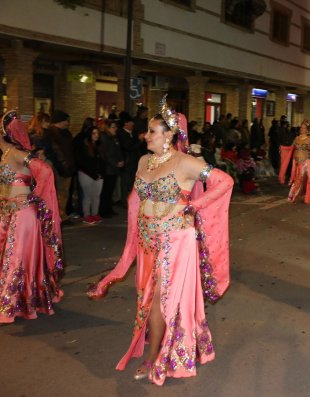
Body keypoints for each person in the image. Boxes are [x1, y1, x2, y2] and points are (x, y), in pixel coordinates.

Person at [87, 95, 233, 385]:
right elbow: (135, 200)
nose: (146, 135)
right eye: (147, 130)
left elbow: (224, 181)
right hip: (148, 240)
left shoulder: (186, 162)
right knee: (147, 296)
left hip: (176, 241)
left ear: (168, 135)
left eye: (152, 131)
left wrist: (196, 206)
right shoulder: (144, 161)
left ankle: (155, 356)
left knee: (158, 300)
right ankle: (166, 344)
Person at [0, 110, 64, 323]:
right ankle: (20, 300)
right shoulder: (6, 155)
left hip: (24, 215)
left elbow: (45, 171)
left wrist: (32, 197)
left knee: (18, 260)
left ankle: (12, 305)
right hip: (9, 213)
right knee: (9, 258)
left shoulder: (18, 154)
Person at [278, 120, 310, 204]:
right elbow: (291, 148)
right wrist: (283, 148)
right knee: (298, 178)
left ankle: (293, 195)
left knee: (300, 178)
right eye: (301, 127)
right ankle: (299, 195)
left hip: (306, 162)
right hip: (296, 162)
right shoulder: (297, 138)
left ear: (307, 129)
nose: (302, 129)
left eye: (304, 128)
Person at [75, 126, 105, 225]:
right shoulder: (84, 146)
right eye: (94, 133)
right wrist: (94, 174)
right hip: (86, 174)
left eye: (97, 133)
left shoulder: (99, 145)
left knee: (96, 196)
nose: (96, 135)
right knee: (88, 196)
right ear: (89, 134)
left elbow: (102, 161)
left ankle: (95, 213)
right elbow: (83, 163)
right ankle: (87, 215)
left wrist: (101, 173)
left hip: (98, 175)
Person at [98, 119, 124, 218]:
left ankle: (109, 209)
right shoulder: (105, 138)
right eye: (113, 127)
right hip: (108, 169)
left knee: (110, 190)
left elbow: (117, 150)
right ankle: (104, 211)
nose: (115, 129)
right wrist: (115, 163)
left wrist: (121, 160)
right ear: (108, 128)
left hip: (113, 168)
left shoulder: (113, 137)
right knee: (106, 191)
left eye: (115, 127)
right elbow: (107, 155)